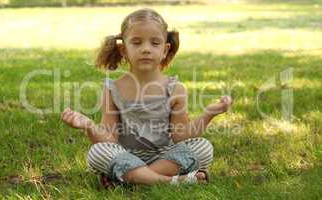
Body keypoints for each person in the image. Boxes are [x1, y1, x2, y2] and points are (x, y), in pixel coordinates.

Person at [61, 8, 232, 187]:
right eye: (136, 43)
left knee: (203, 147)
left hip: (165, 157)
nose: (146, 49)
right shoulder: (113, 89)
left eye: (154, 43)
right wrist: (88, 126)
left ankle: (131, 179)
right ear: (123, 49)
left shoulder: (175, 89)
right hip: (126, 155)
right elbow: (110, 139)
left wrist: (209, 114)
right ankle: (172, 182)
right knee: (98, 152)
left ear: (165, 50)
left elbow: (181, 136)